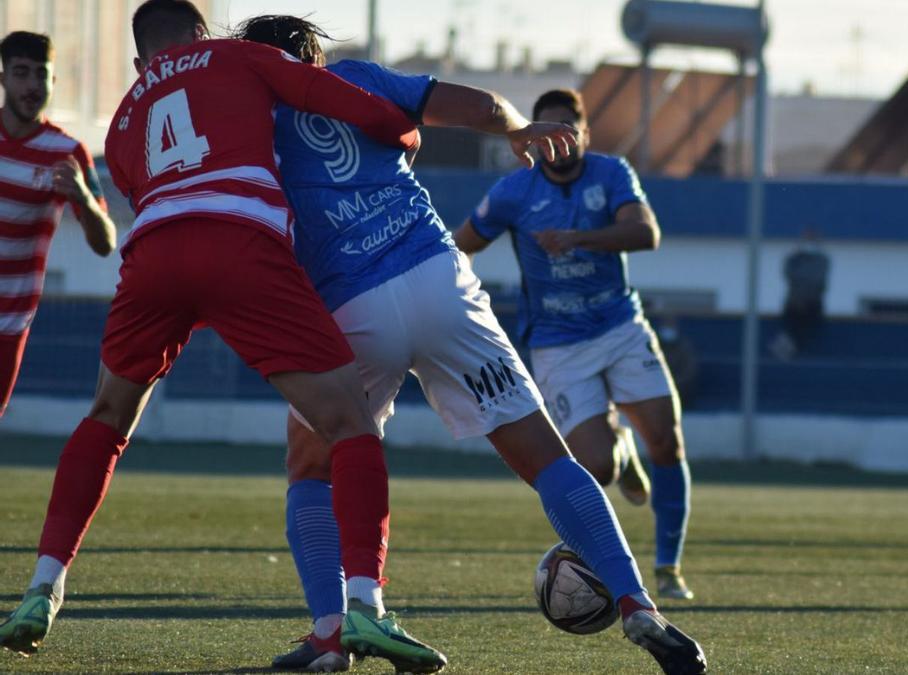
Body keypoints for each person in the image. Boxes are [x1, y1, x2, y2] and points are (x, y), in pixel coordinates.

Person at [234, 16, 706, 675]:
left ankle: (330, 634)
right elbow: (477, 105)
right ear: (315, 57)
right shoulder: (359, 78)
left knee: (313, 466)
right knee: (546, 455)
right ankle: (637, 602)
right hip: (437, 279)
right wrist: (516, 127)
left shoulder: (248, 124)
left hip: (351, 306)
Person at [0, 0, 428, 662]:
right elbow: (330, 94)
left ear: (143, 61)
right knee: (351, 425)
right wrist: (400, 131)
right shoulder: (240, 54)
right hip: (240, 240)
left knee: (108, 417)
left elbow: (141, 189)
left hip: (155, 254)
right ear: (203, 34)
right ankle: (365, 606)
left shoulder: (126, 112)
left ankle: (41, 588)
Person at [453, 89, 696, 601]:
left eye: (569, 129)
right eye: (548, 131)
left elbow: (646, 233)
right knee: (598, 468)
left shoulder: (611, 174)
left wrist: (579, 239)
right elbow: (460, 249)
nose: (559, 141)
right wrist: (459, 307)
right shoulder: (512, 192)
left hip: (620, 325)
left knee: (668, 439)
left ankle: (669, 568)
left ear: (584, 134)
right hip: (558, 344)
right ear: (534, 138)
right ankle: (621, 453)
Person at [0, 31, 116, 419]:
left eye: (41, 74)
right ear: (3, 78)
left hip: (9, 324)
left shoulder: (68, 154)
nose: (33, 85)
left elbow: (105, 244)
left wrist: (82, 197)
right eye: (21, 73)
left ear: (53, 81)